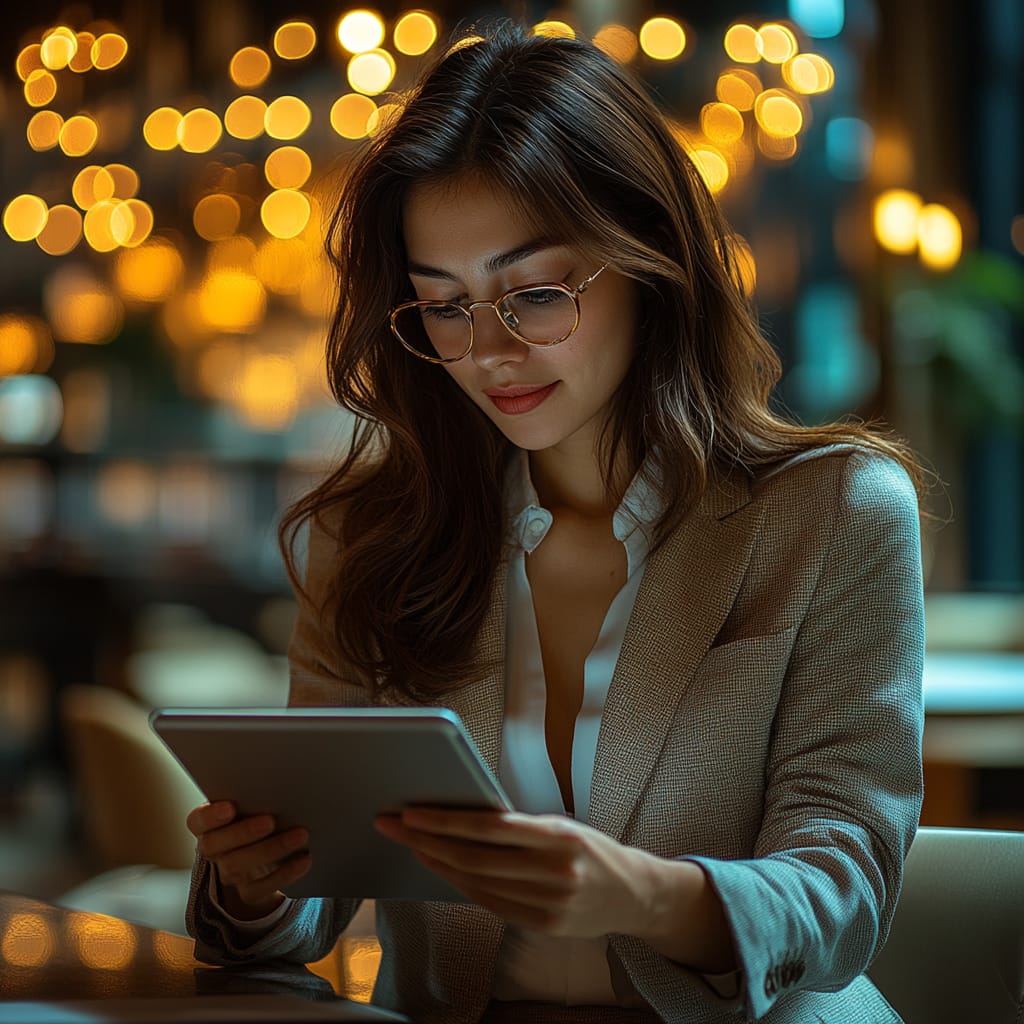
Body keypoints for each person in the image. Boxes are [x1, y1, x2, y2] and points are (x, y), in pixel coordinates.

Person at [185, 19, 927, 1024]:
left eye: (533, 293)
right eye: (442, 307)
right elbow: (308, 916)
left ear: (649, 258)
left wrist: (641, 895)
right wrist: (256, 882)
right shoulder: (373, 539)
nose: (487, 350)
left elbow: (844, 888)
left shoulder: (831, 514)